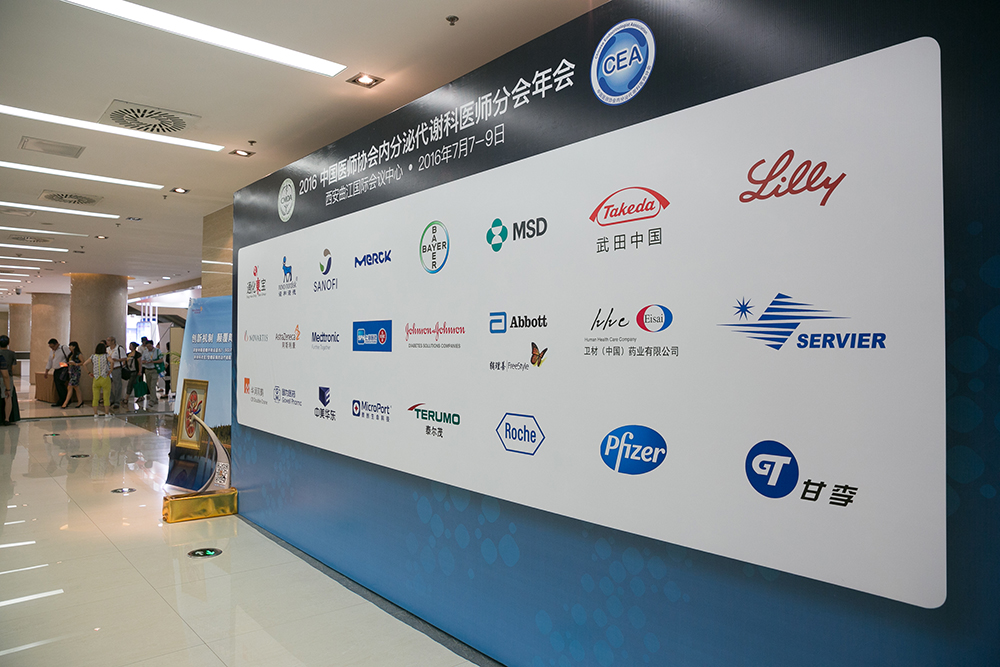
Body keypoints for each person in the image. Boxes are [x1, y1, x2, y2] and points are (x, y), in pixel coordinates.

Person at [83, 342, 112, 418]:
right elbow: (112, 361)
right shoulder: (106, 356)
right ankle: (107, 413)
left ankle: (95, 413)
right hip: (105, 378)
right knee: (106, 397)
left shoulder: (93, 356)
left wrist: (89, 373)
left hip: (96, 378)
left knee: (95, 397)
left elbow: (84, 364)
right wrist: (110, 370)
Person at [43, 338, 72, 407]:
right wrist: (46, 371)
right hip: (56, 370)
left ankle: (65, 400)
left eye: (53, 346)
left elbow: (70, 357)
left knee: (61, 384)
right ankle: (61, 399)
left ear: (57, 344)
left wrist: (64, 365)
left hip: (63, 369)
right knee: (57, 386)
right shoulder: (52, 352)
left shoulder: (63, 348)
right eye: (50, 347)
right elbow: (50, 362)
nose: (52, 348)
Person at [61, 341, 85, 409]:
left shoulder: (78, 354)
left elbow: (83, 362)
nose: (69, 347)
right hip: (71, 372)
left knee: (70, 386)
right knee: (76, 387)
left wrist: (75, 364)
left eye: (70, 346)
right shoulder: (71, 354)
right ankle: (80, 401)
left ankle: (65, 403)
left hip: (76, 372)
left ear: (74, 347)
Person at [0, 336, 18, 424]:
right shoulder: (12, 354)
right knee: (8, 397)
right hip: (7, 376)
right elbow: (13, 368)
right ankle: (7, 418)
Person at [140, 339, 163, 409]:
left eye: (150, 346)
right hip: (147, 370)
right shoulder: (145, 351)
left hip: (154, 369)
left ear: (152, 345)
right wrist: (145, 361)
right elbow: (142, 360)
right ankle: (155, 398)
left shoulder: (158, 351)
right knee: (149, 385)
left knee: (153, 385)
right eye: (147, 347)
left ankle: (152, 401)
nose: (149, 348)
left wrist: (153, 361)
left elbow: (161, 360)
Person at [106, 336, 127, 410]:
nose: (107, 342)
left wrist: (117, 360)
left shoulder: (119, 348)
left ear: (113, 341)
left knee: (117, 385)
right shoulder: (107, 349)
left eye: (108, 340)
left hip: (116, 368)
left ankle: (117, 402)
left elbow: (125, 358)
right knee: (107, 385)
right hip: (108, 369)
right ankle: (111, 398)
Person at [123, 342, 141, 411]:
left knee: (130, 384)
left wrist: (140, 371)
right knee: (135, 384)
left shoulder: (137, 354)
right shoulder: (128, 354)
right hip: (129, 371)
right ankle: (140, 395)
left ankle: (126, 398)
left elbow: (139, 363)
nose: (129, 347)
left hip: (135, 371)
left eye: (131, 346)